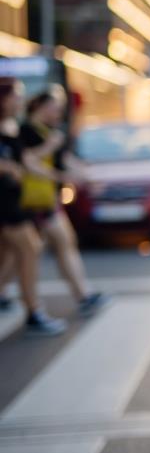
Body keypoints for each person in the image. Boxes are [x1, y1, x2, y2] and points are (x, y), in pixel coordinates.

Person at [18, 88, 107, 314]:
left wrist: (86, 178)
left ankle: (82, 293)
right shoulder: (26, 131)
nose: (58, 112)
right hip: (32, 200)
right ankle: (80, 294)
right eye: (54, 107)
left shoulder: (50, 131)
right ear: (40, 106)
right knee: (34, 250)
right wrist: (59, 169)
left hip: (48, 198)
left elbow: (64, 160)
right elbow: (27, 162)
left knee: (34, 250)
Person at [0, 78, 66, 335]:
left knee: (7, 254)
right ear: (3, 99)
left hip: (14, 198)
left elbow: (27, 161)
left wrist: (59, 178)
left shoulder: (12, 127)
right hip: (5, 203)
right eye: (16, 95)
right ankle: (34, 311)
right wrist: (7, 167)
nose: (20, 100)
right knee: (30, 247)